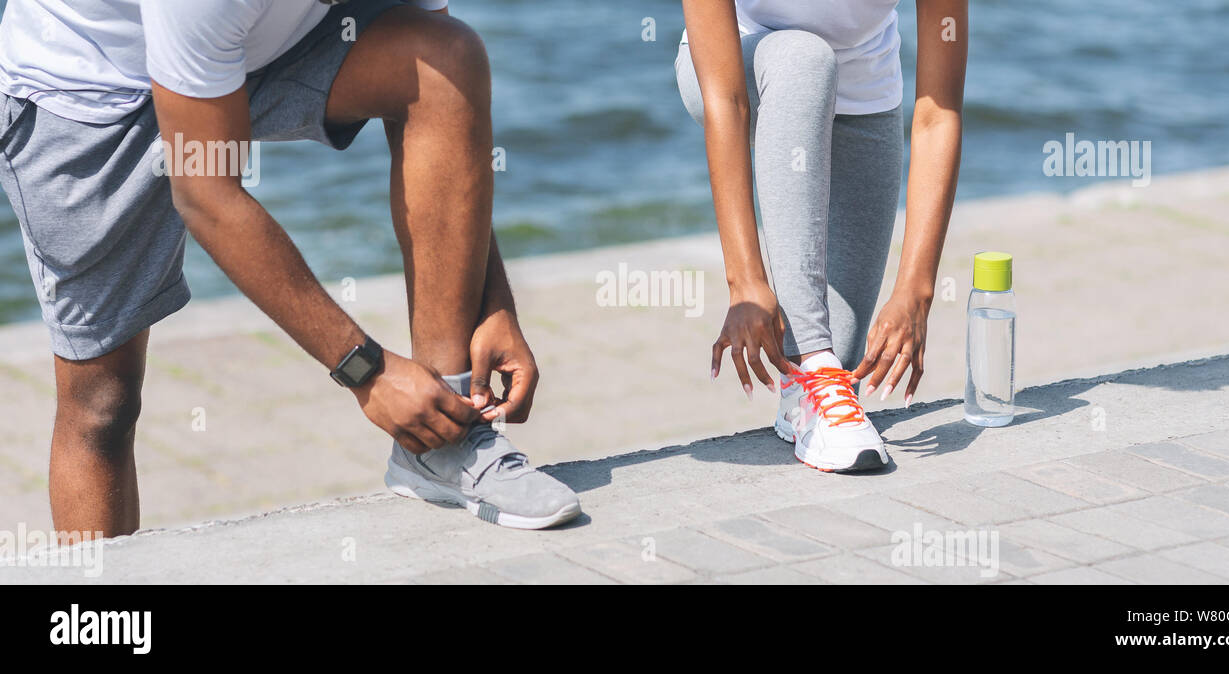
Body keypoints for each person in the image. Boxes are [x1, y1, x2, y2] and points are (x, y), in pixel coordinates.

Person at [0, 0, 581, 536]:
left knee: (442, 57)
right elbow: (206, 194)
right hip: (87, 96)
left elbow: (450, 110)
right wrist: (368, 373)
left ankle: (441, 439)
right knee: (102, 403)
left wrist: (493, 303)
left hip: (248, 50)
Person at [676, 0, 967, 471]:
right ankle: (815, 364)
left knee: (837, 371)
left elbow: (940, 113)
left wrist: (916, 290)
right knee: (804, 57)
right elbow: (725, 100)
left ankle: (805, 388)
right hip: (746, 68)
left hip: (865, 97)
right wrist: (745, 279)